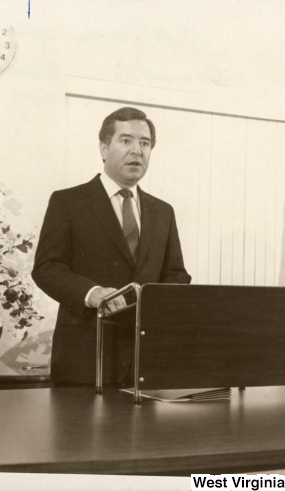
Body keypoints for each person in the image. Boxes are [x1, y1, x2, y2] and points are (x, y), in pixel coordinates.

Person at [32, 106, 191, 386]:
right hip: (86, 356)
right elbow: (47, 268)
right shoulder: (68, 202)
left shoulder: (163, 211)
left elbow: (176, 275)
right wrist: (92, 293)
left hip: (146, 356)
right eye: (126, 140)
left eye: (145, 143)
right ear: (104, 148)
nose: (137, 151)